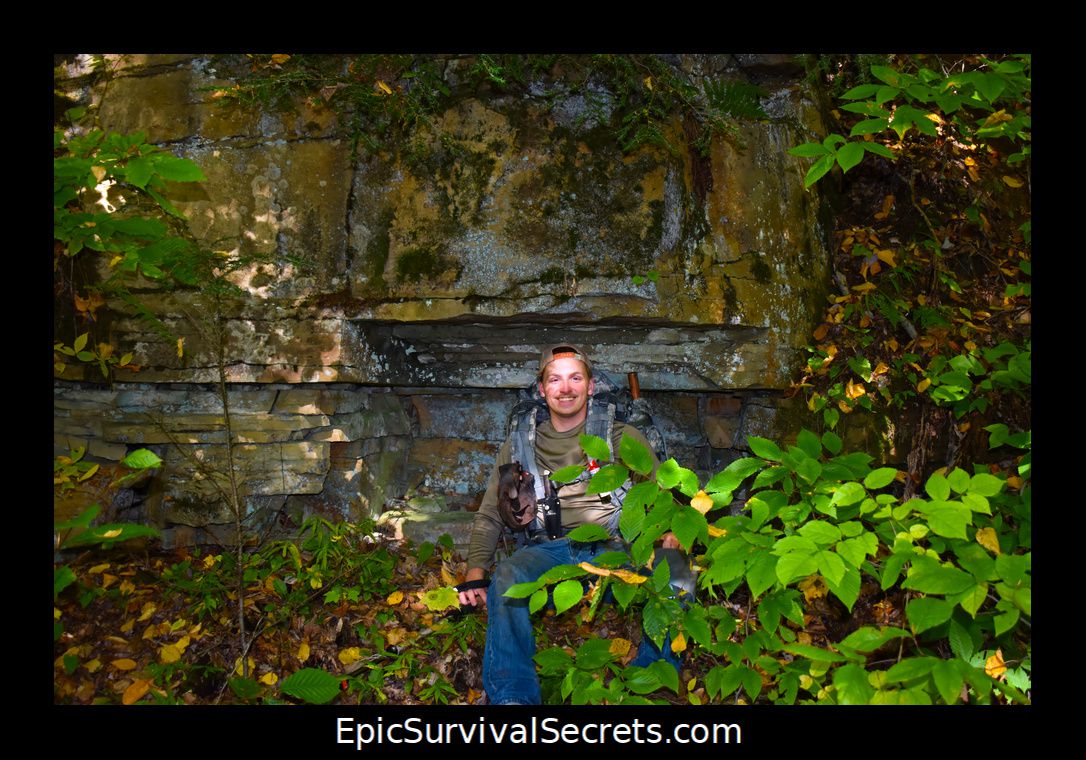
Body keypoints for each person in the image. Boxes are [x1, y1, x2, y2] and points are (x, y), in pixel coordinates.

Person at [458, 343, 678, 705]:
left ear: (590, 386)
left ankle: (653, 682)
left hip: (615, 549)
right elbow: (490, 513)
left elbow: (662, 494)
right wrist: (475, 573)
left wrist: (669, 532)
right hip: (547, 552)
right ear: (542, 389)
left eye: (575, 378)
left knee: (678, 569)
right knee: (508, 574)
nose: (565, 389)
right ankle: (513, 697)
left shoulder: (622, 437)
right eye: (555, 380)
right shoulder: (519, 445)